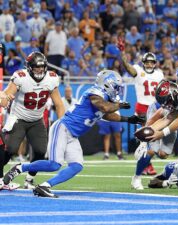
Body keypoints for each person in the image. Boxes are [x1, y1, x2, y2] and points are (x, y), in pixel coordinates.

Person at [3, 70, 144, 198]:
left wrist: (128, 119)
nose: (117, 90)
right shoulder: (95, 92)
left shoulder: (104, 97)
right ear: (107, 84)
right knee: (54, 164)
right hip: (63, 128)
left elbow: (105, 114)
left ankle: (45, 186)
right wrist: (119, 106)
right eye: (116, 87)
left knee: (76, 165)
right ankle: (20, 168)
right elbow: (104, 107)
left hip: (73, 135)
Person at [0, 52, 65, 190]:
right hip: (18, 118)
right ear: (29, 67)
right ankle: (1, 178)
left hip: (36, 120)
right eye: (36, 67)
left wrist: (62, 124)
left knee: (41, 151)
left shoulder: (51, 78)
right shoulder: (20, 77)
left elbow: (59, 104)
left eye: (42, 67)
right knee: (9, 149)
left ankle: (29, 179)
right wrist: (5, 98)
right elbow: (6, 94)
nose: (40, 70)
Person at [131, 101, 178, 190]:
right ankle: (136, 178)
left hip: (175, 118)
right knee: (151, 150)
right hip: (161, 114)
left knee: (163, 154)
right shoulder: (175, 107)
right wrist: (144, 138)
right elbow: (156, 118)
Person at [119, 38, 164, 175]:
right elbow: (128, 67)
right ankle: (146, 165)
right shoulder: (138, 70)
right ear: (143, 63)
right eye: (147, 62)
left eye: (152, 62)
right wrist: (122, 52)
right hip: (143, 107)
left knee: (154, 138)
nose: (149, 64)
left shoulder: (159, 74)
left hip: (155, 107)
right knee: (146, 138)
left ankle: (145, 163)